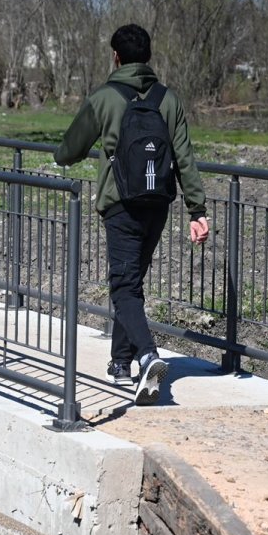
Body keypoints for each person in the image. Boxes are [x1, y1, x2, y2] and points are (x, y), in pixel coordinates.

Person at [54, 24, 209, 406]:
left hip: (121, 203)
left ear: (116, 57)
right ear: (149, 57)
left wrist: (63, 155)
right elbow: (184, 156)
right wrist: (197, 209)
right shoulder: (168, 99)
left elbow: (70, 150)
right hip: (158, 203)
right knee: (132, 281)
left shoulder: (104, 97)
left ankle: (147, 356)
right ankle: (121, 362)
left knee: (123, 286)